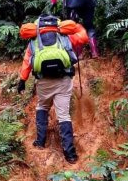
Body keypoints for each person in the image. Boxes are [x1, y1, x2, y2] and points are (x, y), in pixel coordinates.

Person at [17, 14, 88, 164]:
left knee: (42, 106)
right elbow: (83, 39)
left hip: (44, 82)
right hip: (63, 81)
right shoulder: (64, 36)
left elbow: (27, 62)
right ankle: (70, 154)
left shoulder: (34, 40)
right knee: (63, 115)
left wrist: (22, 80)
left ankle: (40, 141)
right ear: (58, 24)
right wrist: (78, 26)